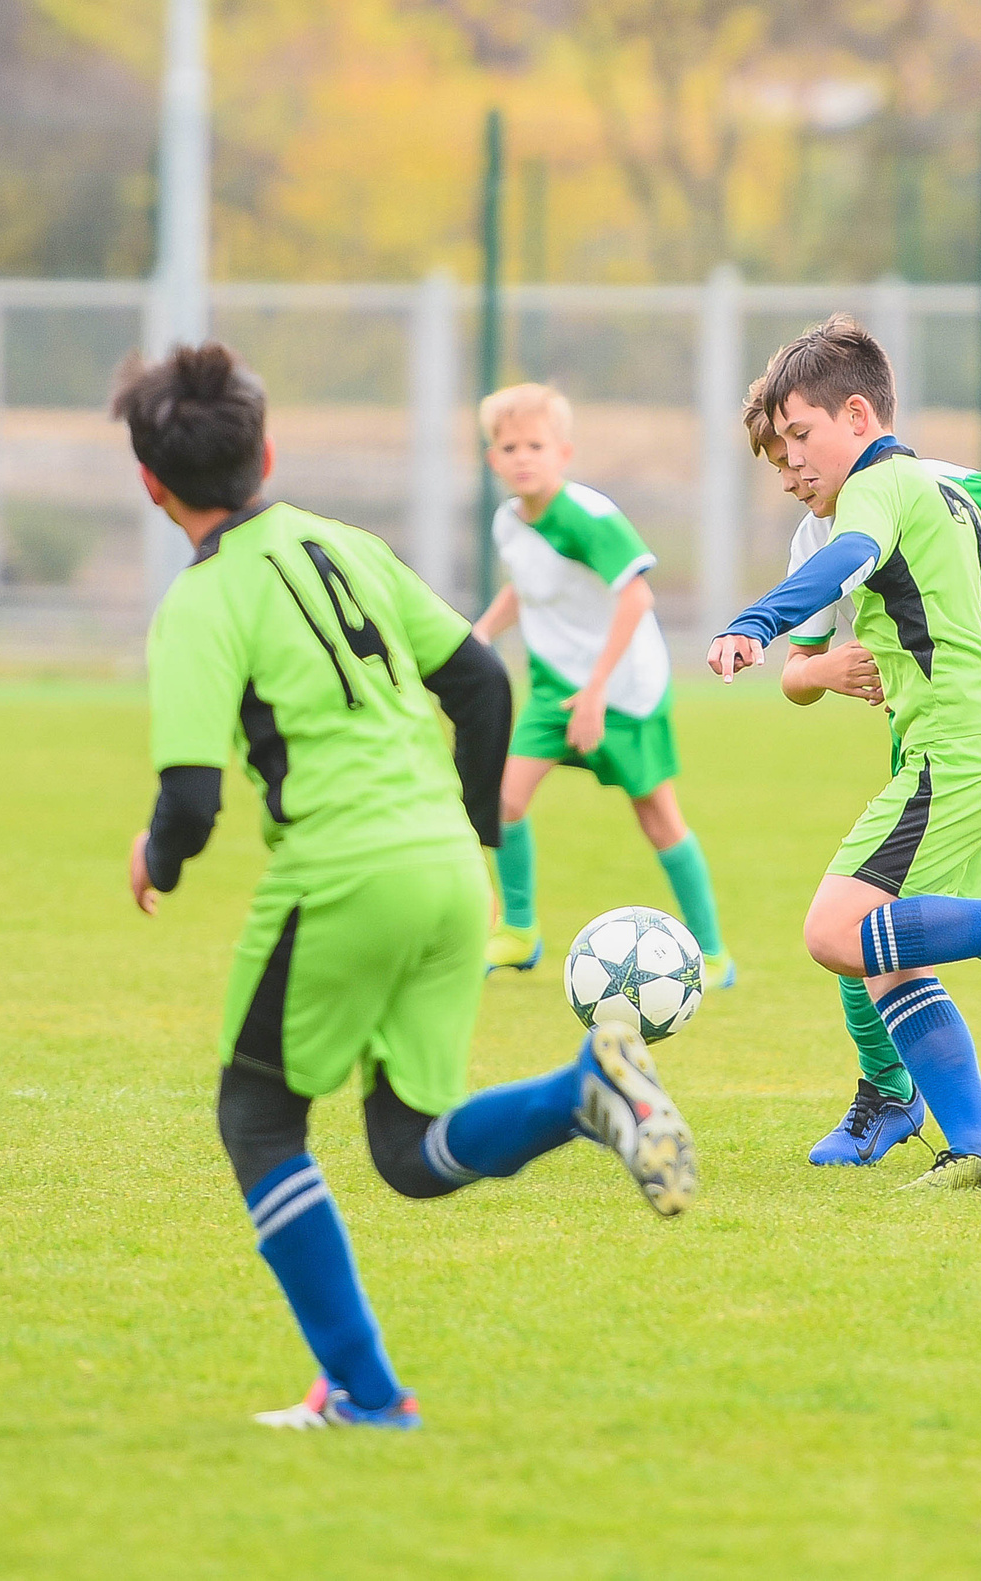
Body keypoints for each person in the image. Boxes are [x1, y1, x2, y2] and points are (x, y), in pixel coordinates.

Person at [119, 342, 698, 1430]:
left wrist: (158, 856)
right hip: (442, 867)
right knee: (409, 1149)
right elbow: (479, 679)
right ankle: (583, 1089)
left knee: (256, 1117)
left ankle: (370, 1395)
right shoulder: (348, 545)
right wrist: (473, 832)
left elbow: (191, 797)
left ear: (151, 482)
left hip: (340, 871)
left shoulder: (199, 604)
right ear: (267, 451)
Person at [705, 316, 981, 1191]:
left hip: (957, 754)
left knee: (840, 934)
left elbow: (852, 557)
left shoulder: (879, 491)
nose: (791, 463)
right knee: (893, 952)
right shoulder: (953, 505)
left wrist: (756, 621)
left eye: (801, 437)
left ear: (858, 417)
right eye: (779, 448)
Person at [470, 383, 734, 986]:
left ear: (563, 452)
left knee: (658, 817)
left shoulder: (590, 517)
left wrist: (594, 694)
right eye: (509, 447)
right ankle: (518, 932)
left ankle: (714, 955)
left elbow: (636, 597)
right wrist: (481, 633)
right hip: (551, 687)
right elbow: (528, 584)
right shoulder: (509, 523)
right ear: (493, 459)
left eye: (535, 444)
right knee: (504, 801)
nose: (522, 457)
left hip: (624, 691)